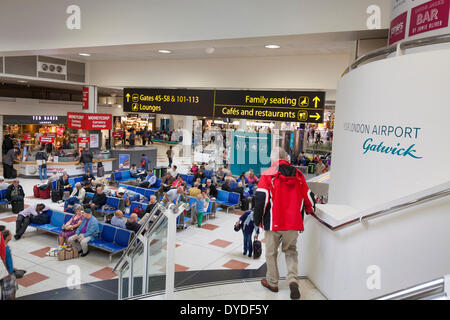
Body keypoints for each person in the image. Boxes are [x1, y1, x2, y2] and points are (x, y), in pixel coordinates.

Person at [254, 147, 315, 300]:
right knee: (291, 251)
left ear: (273, 159)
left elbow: (261, 199)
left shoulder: (268, 174)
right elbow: (308, 196)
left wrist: (257, 220)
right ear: (286, 158)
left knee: (270, 253)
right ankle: (293, 280)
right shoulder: (299, 174)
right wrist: (310, 209)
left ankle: (273, 282)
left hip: (273, 222)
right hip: (293, 223)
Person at [1, 229, 18, 300]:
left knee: (13, 290)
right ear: (7, 237)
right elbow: (3, 262)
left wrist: (12, 268)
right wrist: (8, 273)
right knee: (9, 294)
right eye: (10, 234)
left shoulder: (6, 246)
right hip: (7, 274)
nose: (11, 235)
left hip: (10, 272)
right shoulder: (4, 248)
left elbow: (8, 260)